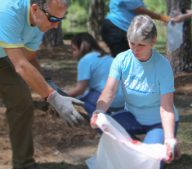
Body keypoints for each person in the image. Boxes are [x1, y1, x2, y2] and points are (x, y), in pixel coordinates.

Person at [0, 0, 84, 169]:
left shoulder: (40, 24)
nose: (56, 26)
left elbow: (28, 59)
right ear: (35, 9)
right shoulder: (8, 11)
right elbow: (21, 66)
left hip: (4, 56)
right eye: (53, 20)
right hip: (9, 57)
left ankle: (24, 164)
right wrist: (52, 97)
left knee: (22, 102)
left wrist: (51, 86)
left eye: (60, 20)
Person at [91, 15, 180, 166]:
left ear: (153, 41)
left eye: (141, 45)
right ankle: (138, 147)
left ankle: (167, 142)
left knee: (152, 162)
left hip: (158, 121)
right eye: (132, 43)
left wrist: (169, 137)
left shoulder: (162, 65)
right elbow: (109, 92)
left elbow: (166, 108)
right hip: (133, 115)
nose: (135, 49)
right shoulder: (121, 59)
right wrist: (98, 111)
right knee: (103, 125)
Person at [68, 32, 125, 117]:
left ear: (82, 47)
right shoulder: (107, 57)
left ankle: (100, 117)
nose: (73, 54)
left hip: (109, 102)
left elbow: (80, 89)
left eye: (74, 49)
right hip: (123, 102)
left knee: (82, 98)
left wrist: (61, 96)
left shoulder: (84, 60)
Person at [101, 0, 170, 57]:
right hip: (116, 28)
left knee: (128, 60)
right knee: (124, 61)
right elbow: (139, 10)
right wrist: (163, 18)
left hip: (117, 28)